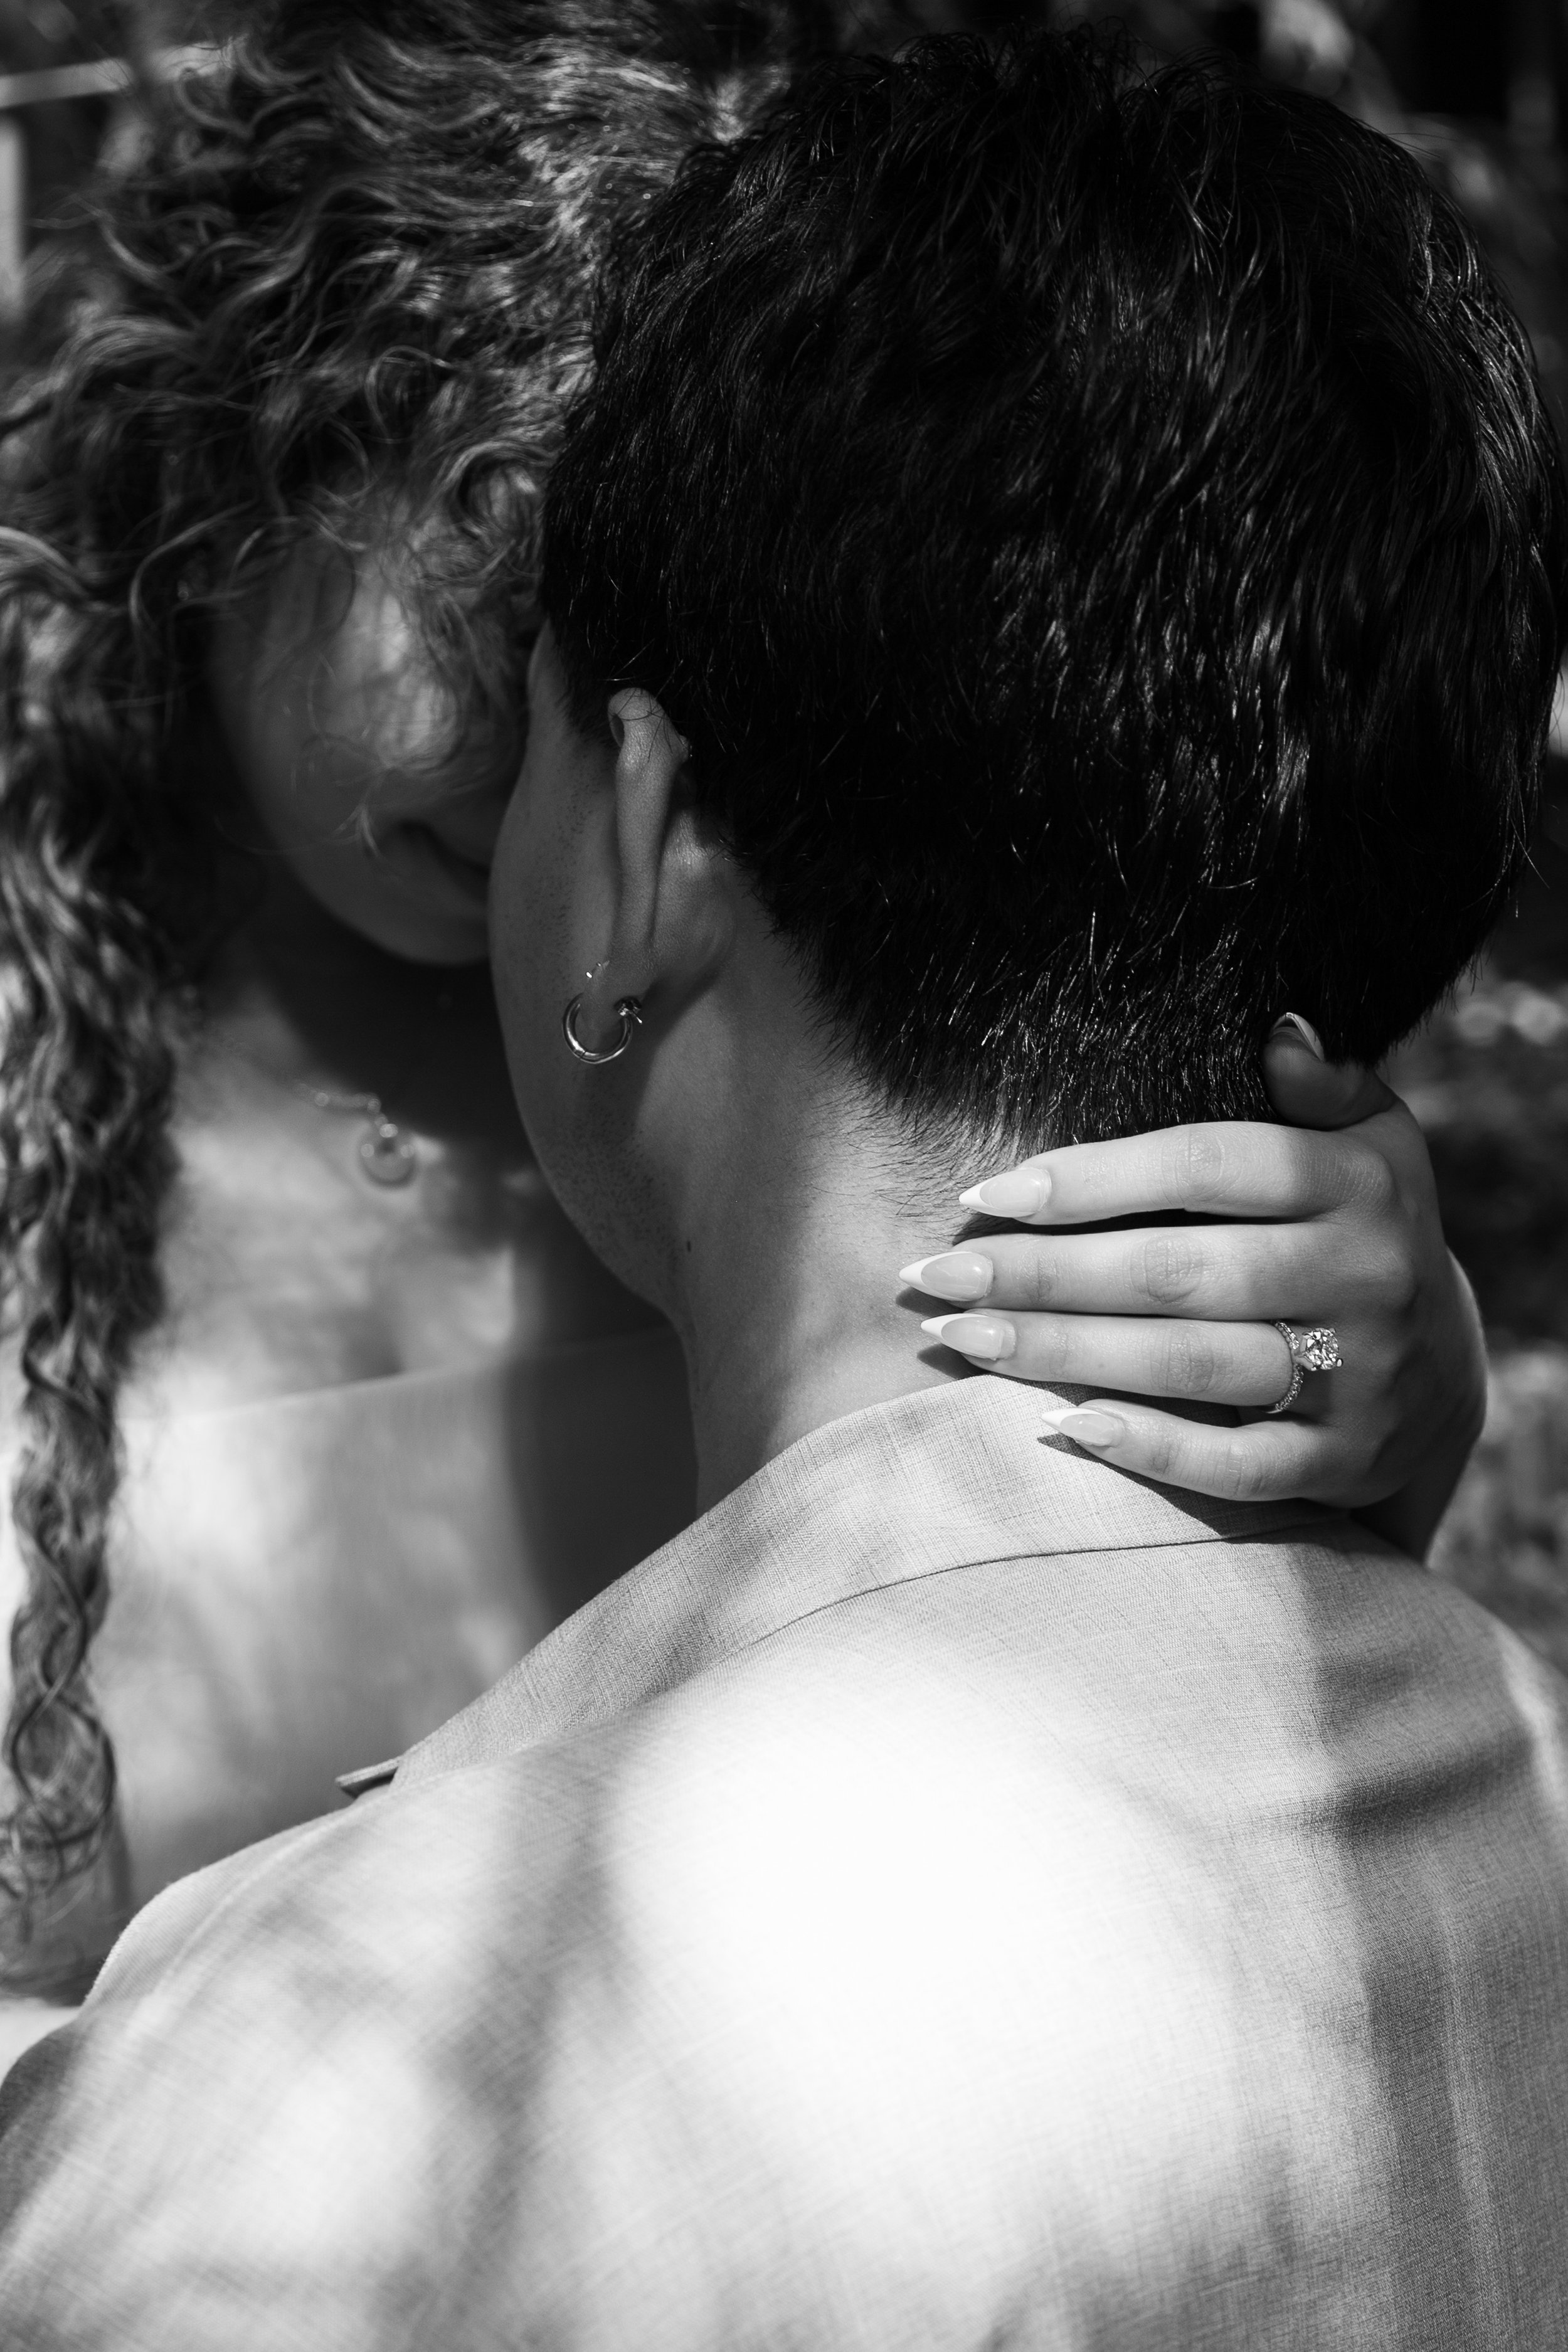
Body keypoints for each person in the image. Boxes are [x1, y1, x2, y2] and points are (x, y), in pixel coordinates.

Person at [3, 26, 1565, 2342]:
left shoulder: (799, 1009)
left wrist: (1359, 1393)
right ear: (256, 457)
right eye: (483, 576)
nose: (504, 713)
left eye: (583, 624)